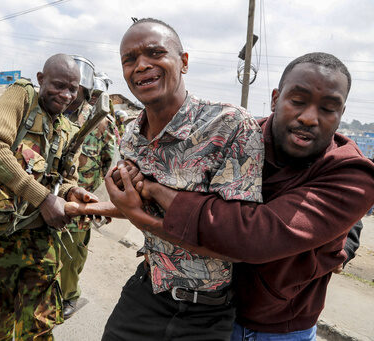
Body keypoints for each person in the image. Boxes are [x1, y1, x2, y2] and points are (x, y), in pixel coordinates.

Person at [106, 52, 374, 340]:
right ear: (275, 99)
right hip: (208, 311)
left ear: (341, 114)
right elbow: (181, 184)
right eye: (297, 101)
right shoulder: (238, 135)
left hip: (276, 327)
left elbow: (254, 235)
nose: (309, 117)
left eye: (328, 108)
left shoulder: (351, 173)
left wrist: (151, 195)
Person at [94, 18, 265, 340]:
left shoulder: (228, 126)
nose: (141, 66)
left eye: (155, 53)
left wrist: (139, 210)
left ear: (183, 62)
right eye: (129, 60)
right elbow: (133, 204)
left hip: (207, 314)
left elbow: (236, 245)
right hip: (145, 293)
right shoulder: (131, 135)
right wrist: (88, 207)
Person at [0, 54, 98, 341]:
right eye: (58, 85)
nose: (65, 95)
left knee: (39, 327)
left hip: (41, 242)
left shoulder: (67, 128)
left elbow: (64, 180)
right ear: (41, 79)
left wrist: (71, 192)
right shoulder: (21, 96)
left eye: (73, 89)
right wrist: (42, 198)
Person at [59, 56, 118, 319]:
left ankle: (69, 296)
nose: (71, 94)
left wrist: (100, 205)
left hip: (81, 200)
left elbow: (111, 167)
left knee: (72, 252)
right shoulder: (53, 110)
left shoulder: (102, 121)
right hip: (50, 194)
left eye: (78, 89)